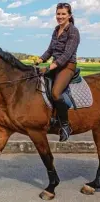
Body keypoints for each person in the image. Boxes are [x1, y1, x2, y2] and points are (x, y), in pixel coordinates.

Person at [36, 3, 80, 142]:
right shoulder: (56, 30)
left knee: (56, 93)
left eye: (63, 14)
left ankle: (66, 126)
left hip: (67, 66)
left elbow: (67, 55)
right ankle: (52, 117)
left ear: (69, 16)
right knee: (38, 84)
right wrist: (40, 59)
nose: (60, 17)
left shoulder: (73, 31)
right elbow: (50, 50)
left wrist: (49, 67)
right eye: (58, 14)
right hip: (56, 65)